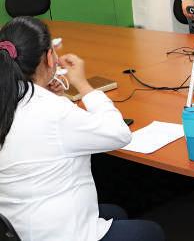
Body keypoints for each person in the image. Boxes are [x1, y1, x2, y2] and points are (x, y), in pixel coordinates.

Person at [0, 17, 164, 241]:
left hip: (16, 228)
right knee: (152, 232)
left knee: (116, 212)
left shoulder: (10, 99)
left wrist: (53, 96)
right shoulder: (53, 111)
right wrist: (83, 84)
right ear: (49, 57)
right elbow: (119, 133)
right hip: (58, 234)